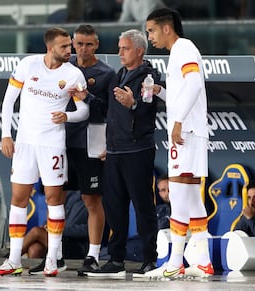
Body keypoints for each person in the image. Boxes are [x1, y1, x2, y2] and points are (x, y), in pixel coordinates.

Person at [0, 27, 89, 277]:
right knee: (18, 199)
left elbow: (84, 111)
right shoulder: (28, 65)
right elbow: (9, 100)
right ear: (50, 47)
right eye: (65, 46)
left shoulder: (74, 74)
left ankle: (53, 259)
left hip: (52, 144)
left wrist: (68, 115)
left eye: (70, 46)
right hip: (24, 143)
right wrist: (6, 135)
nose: (70, 50)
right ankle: (13, 260)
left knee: (55, 199)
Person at [28, 24, 117, 276]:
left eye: (88, 44)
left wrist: (87, 96)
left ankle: (93, 255)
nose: (82, 49)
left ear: (97, 44)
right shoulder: (61, 68)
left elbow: (109, 112)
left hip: (90, 144)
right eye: (78, 44)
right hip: (58, 143)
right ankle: (55, 256)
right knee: (56, 199)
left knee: (92, 199)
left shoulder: (106, 73)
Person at [85, 29, 164, 279]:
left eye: (125, 48)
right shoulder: (118, 75)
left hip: (138, 150)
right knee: (114, 207)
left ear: (139, 51)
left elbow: (149, 110)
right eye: (119, 48)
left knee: (143, 207)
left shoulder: (149, 77)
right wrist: (85, 96)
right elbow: (109, 110)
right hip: (115, 151)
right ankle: (116, 259)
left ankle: (150, 259)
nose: (119, 53)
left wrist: (134, 104)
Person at [144, 8, 213, 279]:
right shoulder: (180, 51)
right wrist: (159, 91)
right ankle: (204, 261)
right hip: (192, 131)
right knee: (193, 199)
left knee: (179, 196)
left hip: (187, 132)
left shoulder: (182, 48)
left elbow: (195, 84)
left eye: (151, 30)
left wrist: (177, 122)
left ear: (166, 28)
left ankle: (175, 261)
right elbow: (183, 92)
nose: (149, 36)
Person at [26, 190, 89, 275]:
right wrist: (46, 225)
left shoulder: (92, 199)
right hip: (61, 239)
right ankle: (36, 279)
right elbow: (56, 215)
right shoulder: (68, 194)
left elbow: (88, 230)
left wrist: (62, 230)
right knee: (35, 248)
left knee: (36, 232)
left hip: (78, 246)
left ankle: (12, 258)